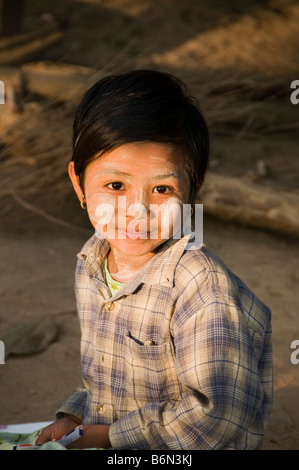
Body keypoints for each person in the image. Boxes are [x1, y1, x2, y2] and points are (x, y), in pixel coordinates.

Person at [36, 70, 273, 450]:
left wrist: (112, 438)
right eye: (115, 186)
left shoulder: (201, 286)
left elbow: (218, 416)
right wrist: (75, 417)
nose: (137, 211)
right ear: (79, 185)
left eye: (162, 189)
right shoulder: (92, 263)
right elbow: (104, 375)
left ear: (191, 194)